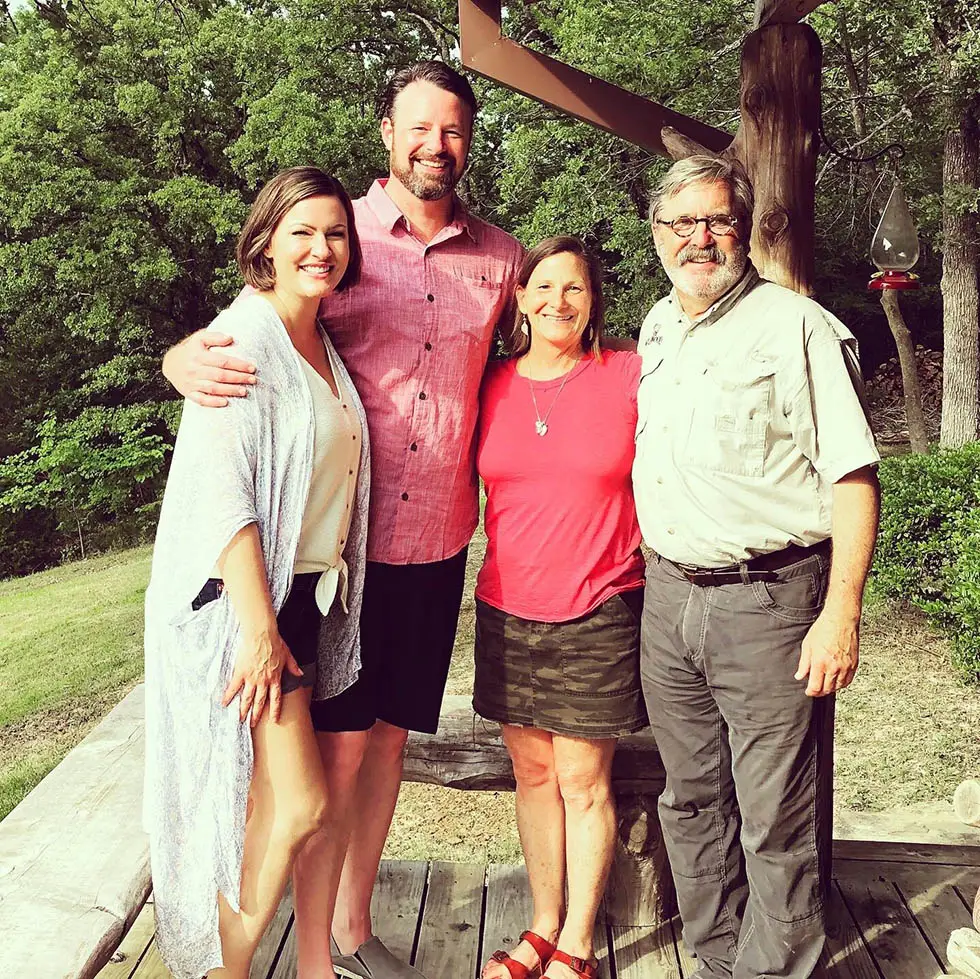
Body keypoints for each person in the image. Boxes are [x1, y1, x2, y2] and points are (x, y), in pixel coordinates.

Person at [161, 61, 524, 979]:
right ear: (385, 132)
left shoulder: (503, 258)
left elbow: (545, 356)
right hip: (317, 563)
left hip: (430, 542)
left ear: (468, 141)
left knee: (382, 746)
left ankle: (346, 937)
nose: (434, 145)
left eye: (452, 130)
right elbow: (240, 337)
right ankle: (241, 958)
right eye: (418, 126)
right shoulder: (339, 234)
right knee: (300, 789)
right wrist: (176, 361)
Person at [633, 155, 881, 979]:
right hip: (668, 599)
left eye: (718, 221)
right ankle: (716, 956)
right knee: (692, 798)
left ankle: (774, 970)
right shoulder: (657, 325)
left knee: (777, 814)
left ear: (742, 229)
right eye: (682, 222)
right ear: (657, 232)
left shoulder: (796, 327)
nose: (700, 238)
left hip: (771, 603)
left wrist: (840, 613)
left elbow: (853, 477)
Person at [143, 166, 370, 979]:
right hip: (242, 609)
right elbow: (221, 496)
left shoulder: (320, 344)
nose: (322, 247)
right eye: (303, 231)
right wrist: (259, 630)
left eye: (336, 233)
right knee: (300, 803)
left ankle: (221, 967)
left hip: (300, 603)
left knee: (274, 810)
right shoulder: (239, 341)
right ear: (265, 242)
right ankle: (218, 969)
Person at [474, 237, 647, 979]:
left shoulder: (630, 374)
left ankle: (578, 942)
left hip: (598, 605)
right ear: (519, 298)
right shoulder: (492, 384)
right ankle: (542, 924)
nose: (558, 301)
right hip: (506, 607)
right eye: (542, 286)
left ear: (594, 299)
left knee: (582, 780)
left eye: (573, 288)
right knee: (533, 773)